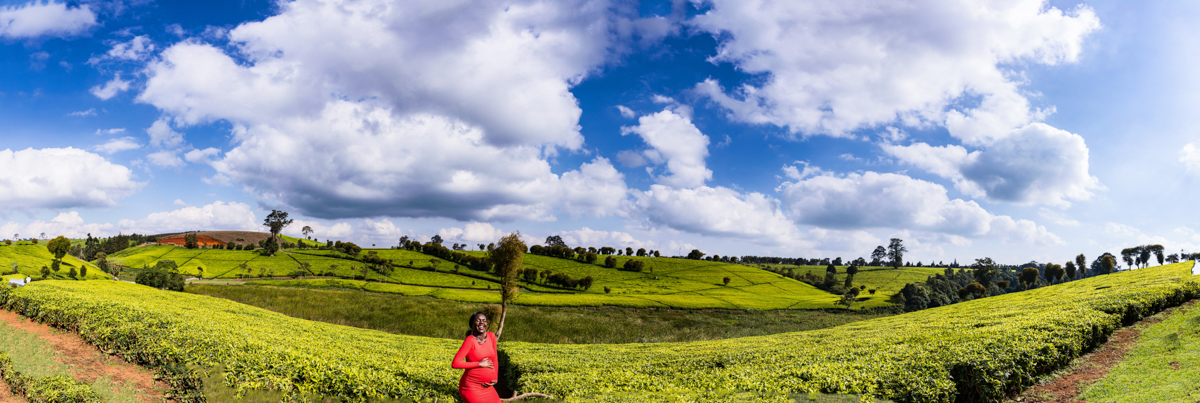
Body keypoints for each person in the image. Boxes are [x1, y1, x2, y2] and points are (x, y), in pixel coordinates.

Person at [452, 312, 500, 403]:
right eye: (478, 320)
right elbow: (455, 363)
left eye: (484, 321)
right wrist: (480, 363)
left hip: (487, 387)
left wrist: (495, 377)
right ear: (472, 324)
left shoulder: (491, 336)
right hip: (471, 387)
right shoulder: (470, 340)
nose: (481, 323)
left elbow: (495, 359)